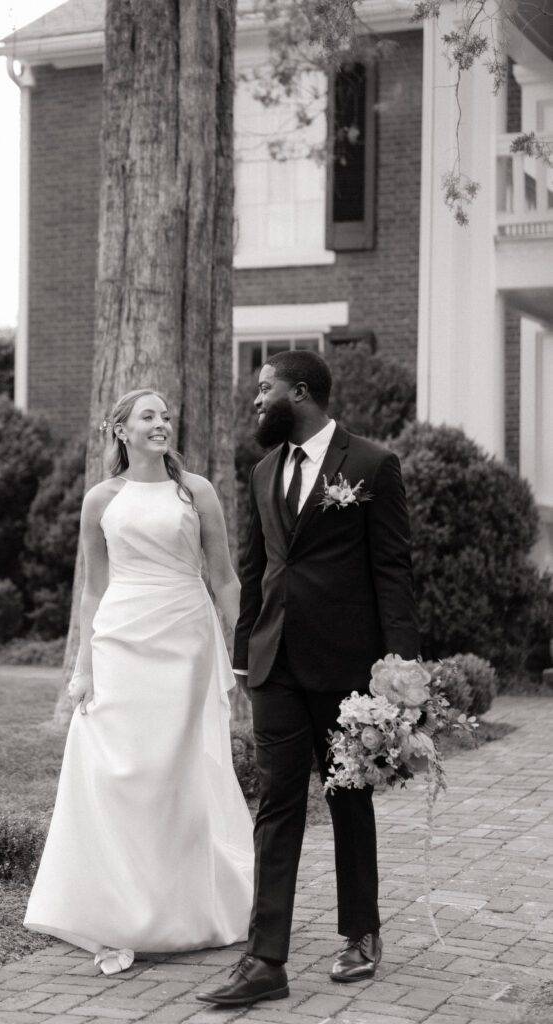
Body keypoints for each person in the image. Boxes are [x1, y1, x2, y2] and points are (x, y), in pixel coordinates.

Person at [197, 350, 419, 1007]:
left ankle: (360, 934)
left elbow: (392, 572)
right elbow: (256, 564)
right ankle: (266, 960)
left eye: (264, 389)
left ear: (300, 392)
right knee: (277, 808)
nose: (256, 400)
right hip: (275, 668)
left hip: (348, 670)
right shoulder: (264, 469)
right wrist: (243, 657)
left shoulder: (372, 465)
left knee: (349, 802)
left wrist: (399, 671)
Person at [24, 388, 254, 974]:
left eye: (166, 415)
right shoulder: (101, 499)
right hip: (120, 639)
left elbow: (224, 577)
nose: (162, 423)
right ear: (120, 431)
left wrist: (252, 647)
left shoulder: (194, 491)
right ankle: (119, 908)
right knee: (118, 768)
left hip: (183, 638)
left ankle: (181, 909)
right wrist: (83, 665)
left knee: (171, 770)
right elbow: (94, 588)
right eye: (148, 416)